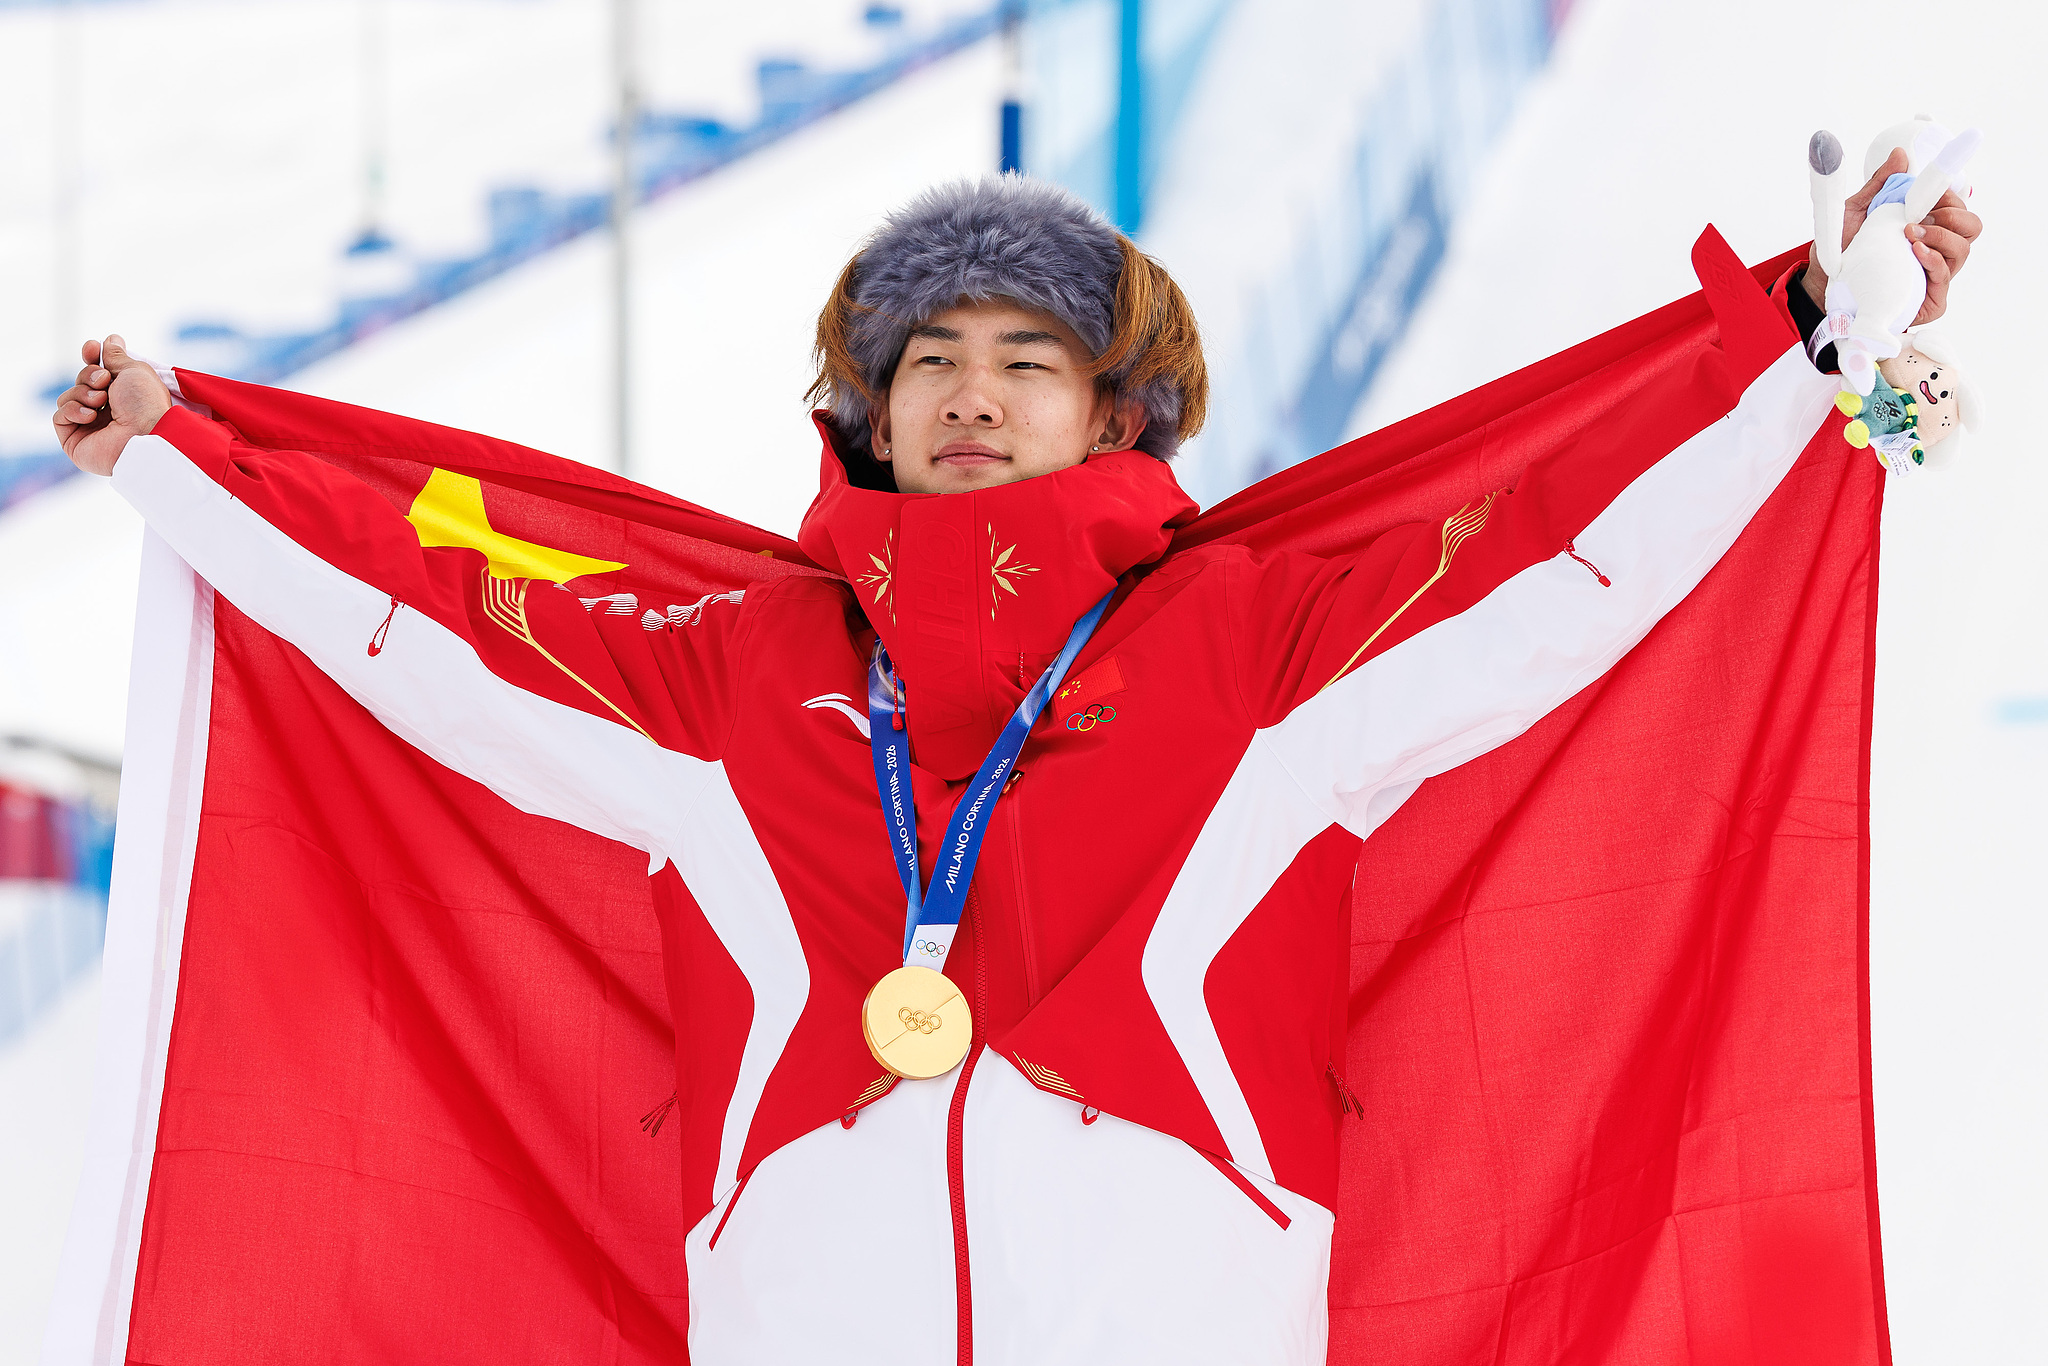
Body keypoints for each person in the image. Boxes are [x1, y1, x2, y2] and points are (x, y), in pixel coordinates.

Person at [51, 168, 1978, 1365]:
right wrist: (184, 464)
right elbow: (431, 622)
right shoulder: (743, 673)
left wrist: (1805, 343)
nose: (971, 391)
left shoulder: (1249, 653)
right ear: (868, 416)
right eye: (928, 358)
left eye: (1025, 355)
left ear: (1115, 407)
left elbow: (1570, 551)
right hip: (808, 1317)